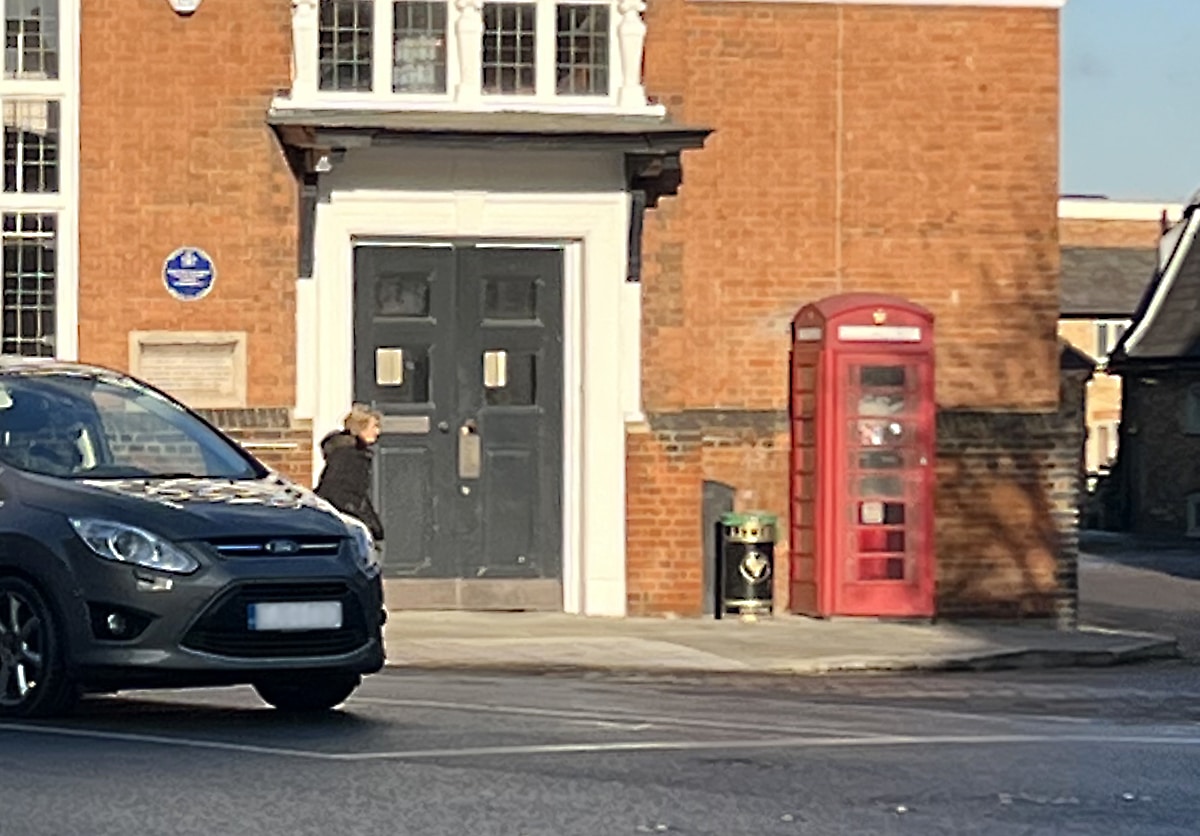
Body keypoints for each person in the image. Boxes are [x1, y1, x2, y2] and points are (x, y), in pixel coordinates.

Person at [314, 403, 385, 545]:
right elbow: (347, 495)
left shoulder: (344, 451)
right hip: (344, 524)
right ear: (360, 428)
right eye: (374, 426)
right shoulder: (351, 456)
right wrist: (371, 525)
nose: (378, 432)